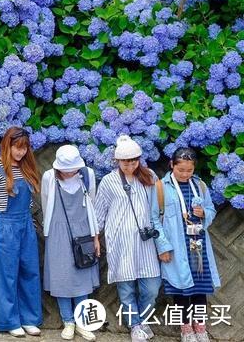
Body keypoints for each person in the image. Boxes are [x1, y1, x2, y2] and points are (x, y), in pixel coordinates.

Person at [94, 135, 161, 342]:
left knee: (151, 286)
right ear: (117, 161)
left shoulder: (150, 177)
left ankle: (143, 320)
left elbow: (159, 208)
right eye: (125, 162)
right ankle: (135, 325)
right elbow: (99, 212)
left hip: (146, 242)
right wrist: (96, 238)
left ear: (139, 159)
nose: (130, 165)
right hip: (120, 242)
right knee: (126, 288)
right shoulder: (108, 181)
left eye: (133, 161)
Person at [150, 147, 220, 342]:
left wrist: (204, 213)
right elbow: (154, 219)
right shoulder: (161, 187)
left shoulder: (200, 185)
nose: (185, 174)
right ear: (172, 165)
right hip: (177, 248)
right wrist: (163, 247)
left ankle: (200, 328)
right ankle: (186, 330)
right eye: (181, 170)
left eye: (189, 170)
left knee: (200, 290)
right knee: (180, 292)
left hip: (199, 248)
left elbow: (211, 210)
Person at [0, 126, 42, 337]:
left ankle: (29, 319)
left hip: (25, 224)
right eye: (17, 147)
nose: (20, 152)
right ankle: (8, 320)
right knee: (6, 275)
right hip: (3, 225)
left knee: (29, 271)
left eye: (24, 148)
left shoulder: (27, 167)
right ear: (7, 145)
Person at [41, 145, 100, 341]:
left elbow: (91, 203)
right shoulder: (49, 177)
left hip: (83, 231)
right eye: (67, 169)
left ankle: (82, 321)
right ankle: (68, 321)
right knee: (61, 277)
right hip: (57, 231)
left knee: (83, 275)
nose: (71, 172)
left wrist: (95, 236)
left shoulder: (88, 175)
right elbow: (46, 203)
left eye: (73, 168)